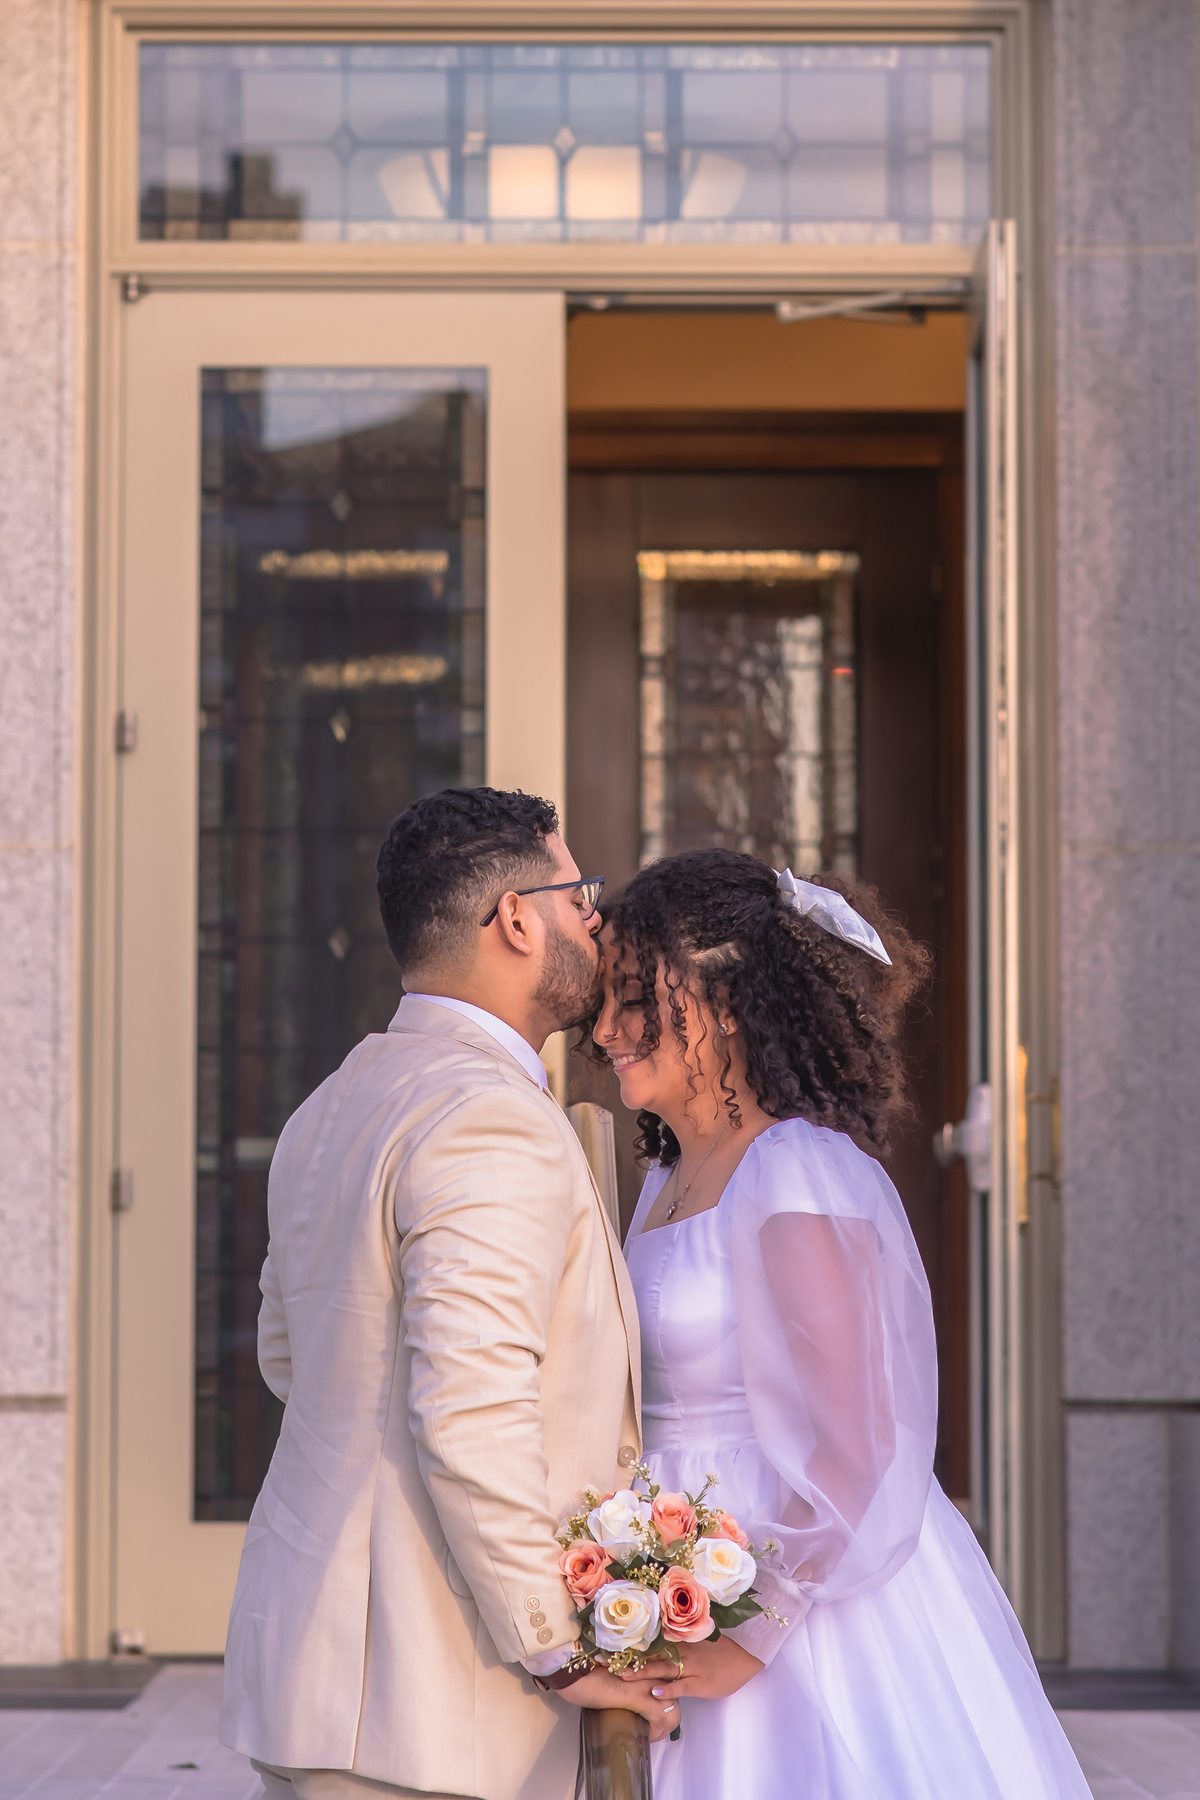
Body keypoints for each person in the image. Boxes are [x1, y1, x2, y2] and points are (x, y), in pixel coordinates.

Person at [592, 848, 1093, 1800]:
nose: (608, 1029)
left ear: (723, 1003)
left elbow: (857, 1442)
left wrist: (752, 1633)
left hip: (794, 1589)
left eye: (637, 1001)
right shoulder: (662, 1176)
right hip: (672, 1568)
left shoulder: (792, 1172)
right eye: (607, 1003)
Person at [220, 787, 675, 1800]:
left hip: (315, 1676)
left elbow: (288, 1357)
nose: (595, 923)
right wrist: (561, 1650)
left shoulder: (329, 1105)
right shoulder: (488, 1119)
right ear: (516, 918)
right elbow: (469, 1409)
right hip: (429, 1699)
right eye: (580, 897)